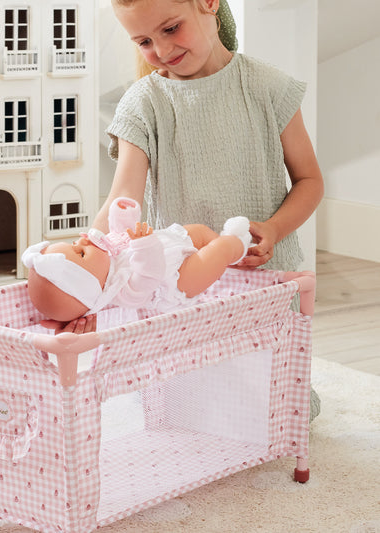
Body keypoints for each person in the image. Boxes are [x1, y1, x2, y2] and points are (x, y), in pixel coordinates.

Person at [90, 0, 323, 420]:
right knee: (185, 414)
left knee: (280, 415)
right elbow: (122, 200)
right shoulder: (143, 103)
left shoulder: (268, 87)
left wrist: (273, 228)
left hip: (262, 282)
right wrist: (85, 268)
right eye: (144, 41)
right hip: (184, 286)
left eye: (171, 29)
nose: (162, 50)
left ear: (209, 4)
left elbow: (309, 180)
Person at [23, 197, 252, 322]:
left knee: (199, 231)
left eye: (74, 243)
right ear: (94, 287)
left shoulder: (106, 256)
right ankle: (237, 246)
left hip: (171, 249)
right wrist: (143, 244)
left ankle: (223, 258)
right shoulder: (124, 292)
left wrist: (122, 214)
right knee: (220, 249)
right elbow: (150, 274)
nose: (82, 242)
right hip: (179, 280)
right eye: (81, 253)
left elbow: (122, 232)